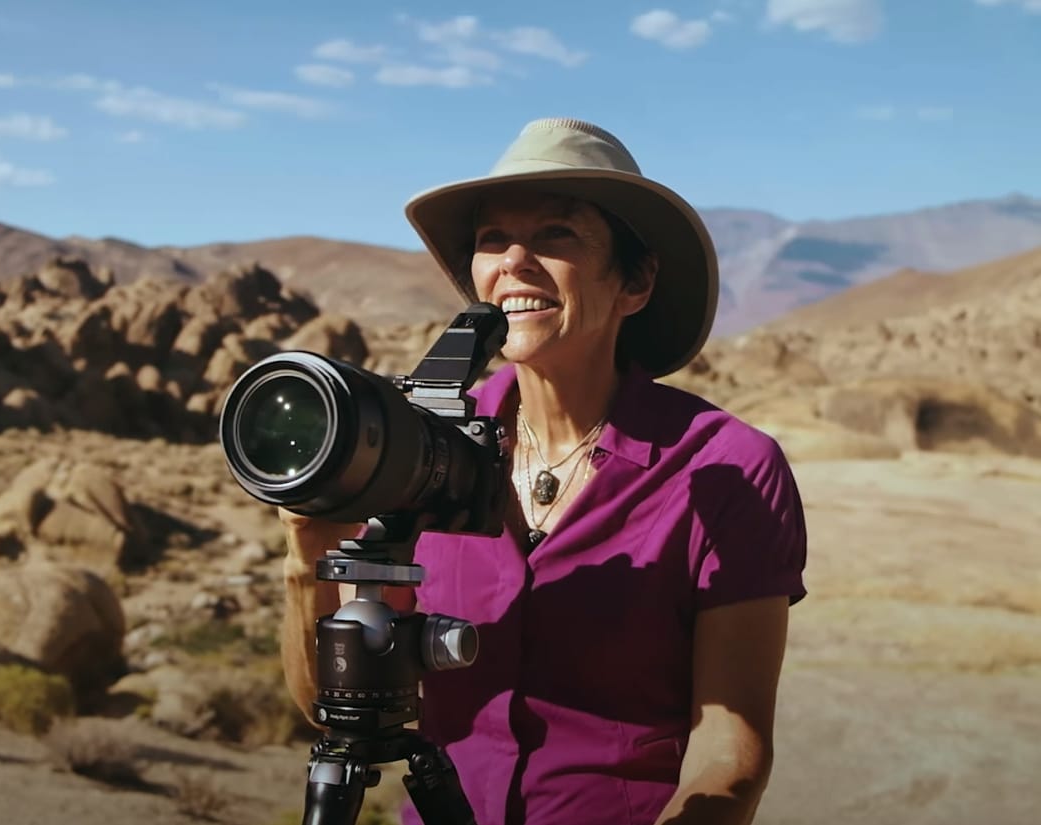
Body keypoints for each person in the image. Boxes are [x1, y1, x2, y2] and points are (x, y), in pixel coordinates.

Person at [279, 117, 808, 825]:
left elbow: (730, 748)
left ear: (636, 280)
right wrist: (306, 553)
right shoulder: (418, 454)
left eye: (558, 233)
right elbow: (332, 708)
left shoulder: (728, 468)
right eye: (492, 238)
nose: (515, 261)